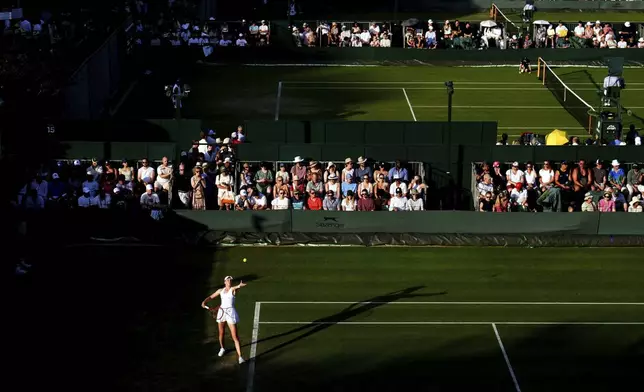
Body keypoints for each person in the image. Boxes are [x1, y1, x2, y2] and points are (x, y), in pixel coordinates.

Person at [201, 276, 247, 364]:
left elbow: (235, 287)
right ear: (225, 282)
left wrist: (239, 286)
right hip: (222, 312)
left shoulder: (233, 290)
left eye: (230, 280)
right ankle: (222, 348)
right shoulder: (220, 290)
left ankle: (240, 357)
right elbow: (211, 297)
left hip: (230, 313)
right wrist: (204, 301)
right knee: (221, 333)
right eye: (228, 280)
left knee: (235, 336)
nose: (229, 281)